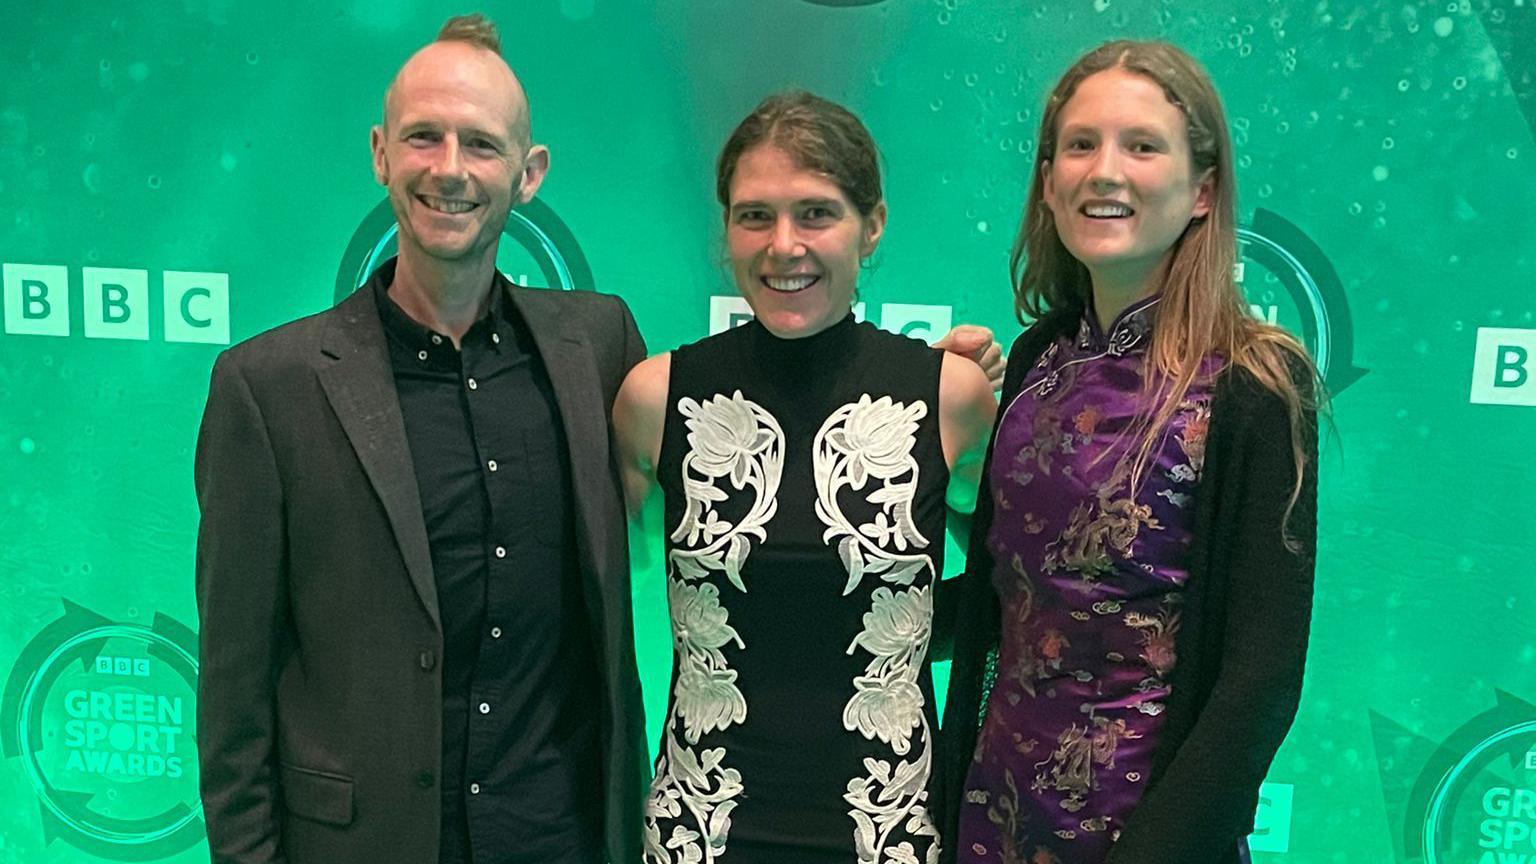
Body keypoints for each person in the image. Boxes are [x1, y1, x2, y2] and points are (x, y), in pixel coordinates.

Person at [193, 15, 648, 864]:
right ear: (379, 153)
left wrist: (932, 380)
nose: (449, 169)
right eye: (422, 137)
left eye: (480, 144)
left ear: (529, 173)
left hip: (563, 840)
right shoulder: (267, 388)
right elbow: (233, 697)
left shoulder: (603, 348)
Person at [938, 41, 1321, 864]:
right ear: (1048, 183)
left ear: (1203, 190)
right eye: (1079, 145)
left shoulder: (1255, 382)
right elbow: (1024, 582)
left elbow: (1259, 681)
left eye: (1141, 146)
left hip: (1150, 835)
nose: (1104, 171)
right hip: (991, 813)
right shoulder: (1039, 358)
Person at [613, 90, 998, 863]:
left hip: (891, 830)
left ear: (874, 226)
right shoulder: (653, 400)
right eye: (754, 215)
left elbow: (1002, 586)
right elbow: (606, 583)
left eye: (816, 213)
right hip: (701, 832)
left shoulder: (951, 397)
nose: (783, 245)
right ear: (724, 229)